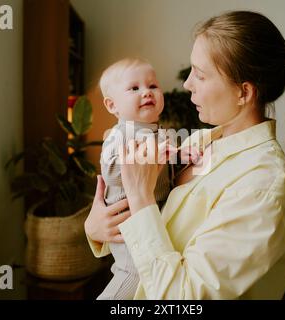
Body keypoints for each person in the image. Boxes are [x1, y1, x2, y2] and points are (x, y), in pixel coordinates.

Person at [84, 10, 285, 299]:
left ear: (244, 93)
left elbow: (185, 297)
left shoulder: (263, 185)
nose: (187, 84)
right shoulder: (200, 141)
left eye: (200, 75)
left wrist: (140, 198)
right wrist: (96, 229)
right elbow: (150, 225)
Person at [95, 58, 176, 299]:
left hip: (149, 217)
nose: (147, 93)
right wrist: (145, 155)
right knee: (133, 273)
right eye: (134, 88)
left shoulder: (159, 131)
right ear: (112, 106)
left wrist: (181, 155)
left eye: (153, 86)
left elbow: (167, 170)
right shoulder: (119, 134)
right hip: (126, 222)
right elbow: (110, 171)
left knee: (146, 280)